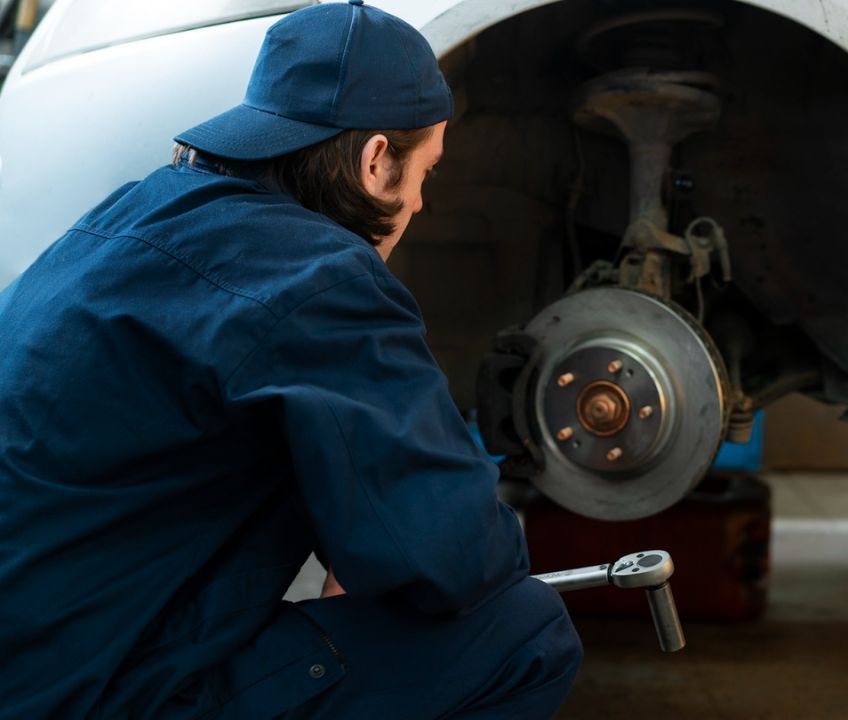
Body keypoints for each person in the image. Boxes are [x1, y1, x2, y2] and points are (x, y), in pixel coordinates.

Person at [0, 1, 583, 717]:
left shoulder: (132, 212)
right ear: (375, 160)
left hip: (36, 662)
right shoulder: (318, 278)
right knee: (524, 632)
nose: (424, 201)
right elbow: (460, 559)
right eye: (427, 170)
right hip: (100, 694)